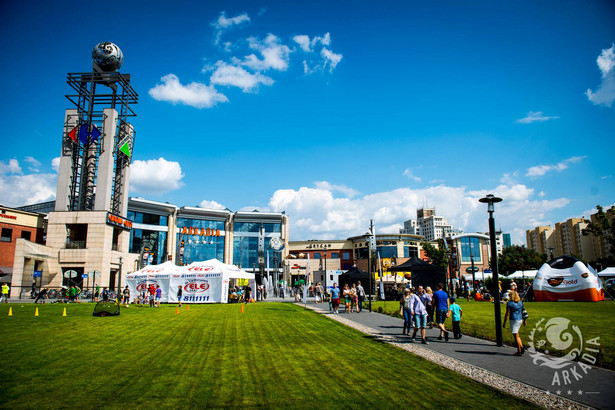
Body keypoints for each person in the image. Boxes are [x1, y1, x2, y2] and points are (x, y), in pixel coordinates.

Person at [503, 290, 526, 356]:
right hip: (520, 318)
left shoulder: (510, 303)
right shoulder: (520, 302)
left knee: (515, 336)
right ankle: (521, 347)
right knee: (517, 334)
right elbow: (523, 311)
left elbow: (507, 313)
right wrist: (525, 320)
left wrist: (504, 322)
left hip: (513, 319)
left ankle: (519, 350)